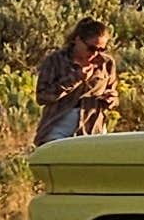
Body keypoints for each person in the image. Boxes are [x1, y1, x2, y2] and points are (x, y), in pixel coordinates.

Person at [33, 17, 121, 146]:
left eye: (101, 49)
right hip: (57, 127)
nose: (96, 54)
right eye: (91, 48)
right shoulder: (55, 60)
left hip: (92, 131)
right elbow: (42, 97)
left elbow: (112, 94)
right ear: (77, 40)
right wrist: (75, 78)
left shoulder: (106, 63)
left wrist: (111, 100)